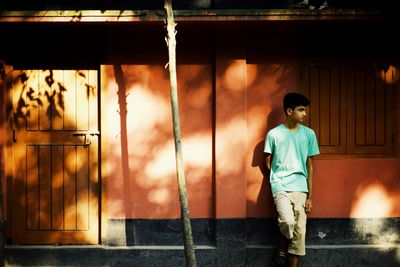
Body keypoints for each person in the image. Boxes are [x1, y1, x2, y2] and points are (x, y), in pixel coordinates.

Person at [264, 92, 319, 267]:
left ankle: (284, 252)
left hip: (300, 187)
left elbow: (310, 166)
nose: (305, 113)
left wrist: (310, 196)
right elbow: (267, 160)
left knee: (300, 232)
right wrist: (276, 179)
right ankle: (282, 243)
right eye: (301, 110)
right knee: (288, 222)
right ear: (289, 111)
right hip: (280, 185)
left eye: (305, 110)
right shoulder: (274, 134)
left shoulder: (309, 134)